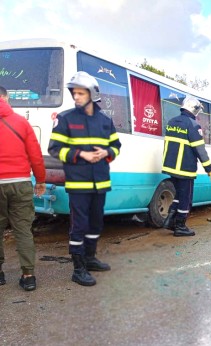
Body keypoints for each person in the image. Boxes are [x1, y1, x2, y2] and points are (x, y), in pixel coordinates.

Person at [48, 72, 121, 286]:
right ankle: (78, 269)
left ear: (92, 94)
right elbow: (54, 149)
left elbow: (116, 147)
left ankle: (90, 258)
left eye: (81, 93)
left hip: (101, 183)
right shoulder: (66, 118)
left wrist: (106, 152)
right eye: (74, 93)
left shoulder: (105, 121)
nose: (76, 97)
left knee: (96, 224)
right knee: (79, 226)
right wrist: (81, 154)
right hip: (78, 185)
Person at [0, 86, 46, 291]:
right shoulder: (21, 122)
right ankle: (28, 276)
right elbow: (35, 155)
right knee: (23, 230)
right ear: (6, 98)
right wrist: (41, 180)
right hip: (20, 182)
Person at [162, 96, 211, 236]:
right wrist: (209, 169)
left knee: (179, 195)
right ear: (194, 109)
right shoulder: (193, 125)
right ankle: (180, 227)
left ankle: (169, 222)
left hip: (171, 168)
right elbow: (200, 150)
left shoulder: (172, 122)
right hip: (185, 169)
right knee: (186, 198)